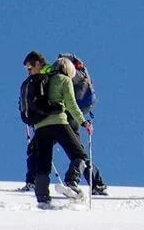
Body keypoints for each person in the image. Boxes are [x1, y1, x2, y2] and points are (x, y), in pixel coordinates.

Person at [20, 51, 90, 207]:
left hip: (40, 127)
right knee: (79, 155)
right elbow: (71, 105)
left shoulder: (44, 79)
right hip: (59, 123)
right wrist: (84, 123)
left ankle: (42, 197)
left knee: (43, 163)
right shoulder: (64, 80)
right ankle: (72, 182)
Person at [58, 53, 107, 195]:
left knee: (75, 153)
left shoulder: (72, 74)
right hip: (74, 116)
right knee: (78, 153)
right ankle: (97, 183)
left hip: (67, 116)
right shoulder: (81, 74)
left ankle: (36, 180)